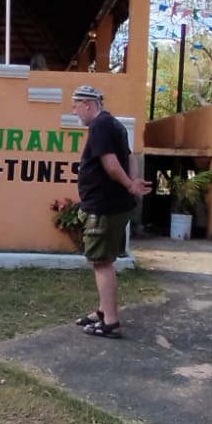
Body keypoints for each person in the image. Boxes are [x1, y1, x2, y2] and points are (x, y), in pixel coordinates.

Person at [72, 83, 152, 339]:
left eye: (76, 106)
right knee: (105, 260)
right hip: (115, 205)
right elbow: (129, 157)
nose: (74, 111)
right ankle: (103, 311)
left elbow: (111, 164)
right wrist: (133, 183)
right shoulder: (114, 124)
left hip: (104, 207)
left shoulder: (99, 125)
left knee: (101, 263)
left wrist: (130, 185)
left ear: (88, 104)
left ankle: (111, 322)